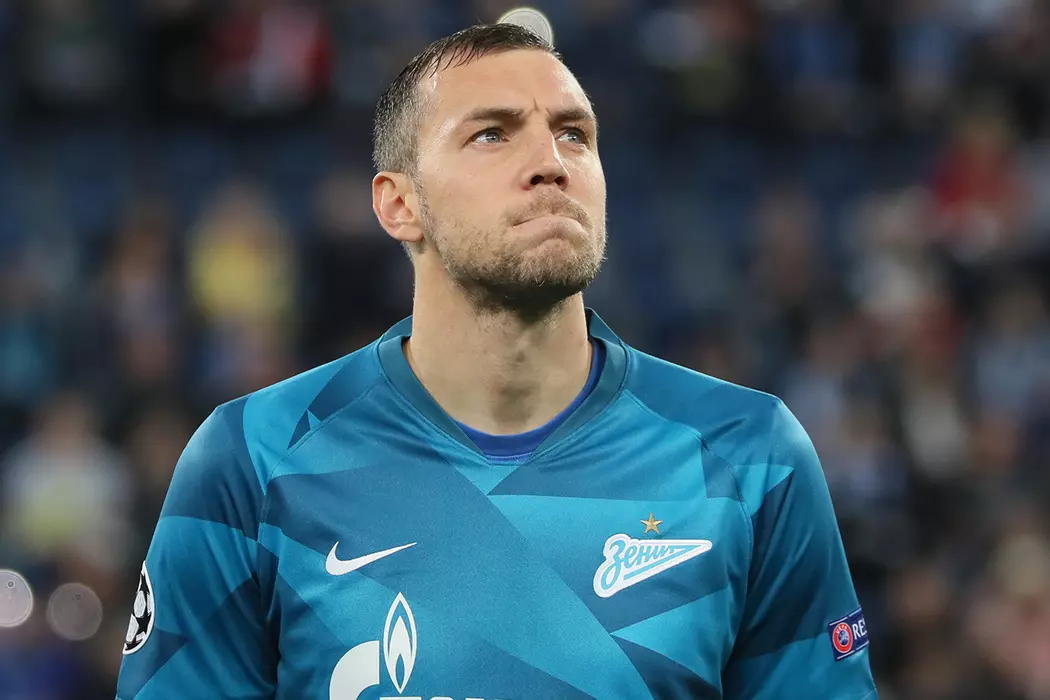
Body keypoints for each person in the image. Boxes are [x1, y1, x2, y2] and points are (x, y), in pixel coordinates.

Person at [115, 22, 878, 700]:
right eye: (492, 134)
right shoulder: (252, 459)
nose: (551, 162)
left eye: (575, 134)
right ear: (398, 205)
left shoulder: (751, 455)